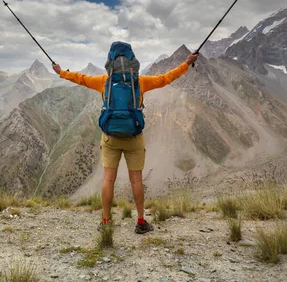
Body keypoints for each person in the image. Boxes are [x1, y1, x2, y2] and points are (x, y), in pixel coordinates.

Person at [52, 42, 199, 234]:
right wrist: (186, 63)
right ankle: (140, 222)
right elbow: (166, 79)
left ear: (110, 62)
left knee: (108, 180)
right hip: (134, 138)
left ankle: (106, 222)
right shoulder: (140, 81)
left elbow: (80, 78)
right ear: (132, 62)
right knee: (136, 181)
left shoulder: (103, 81)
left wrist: (61, 72)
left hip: (110, 138)